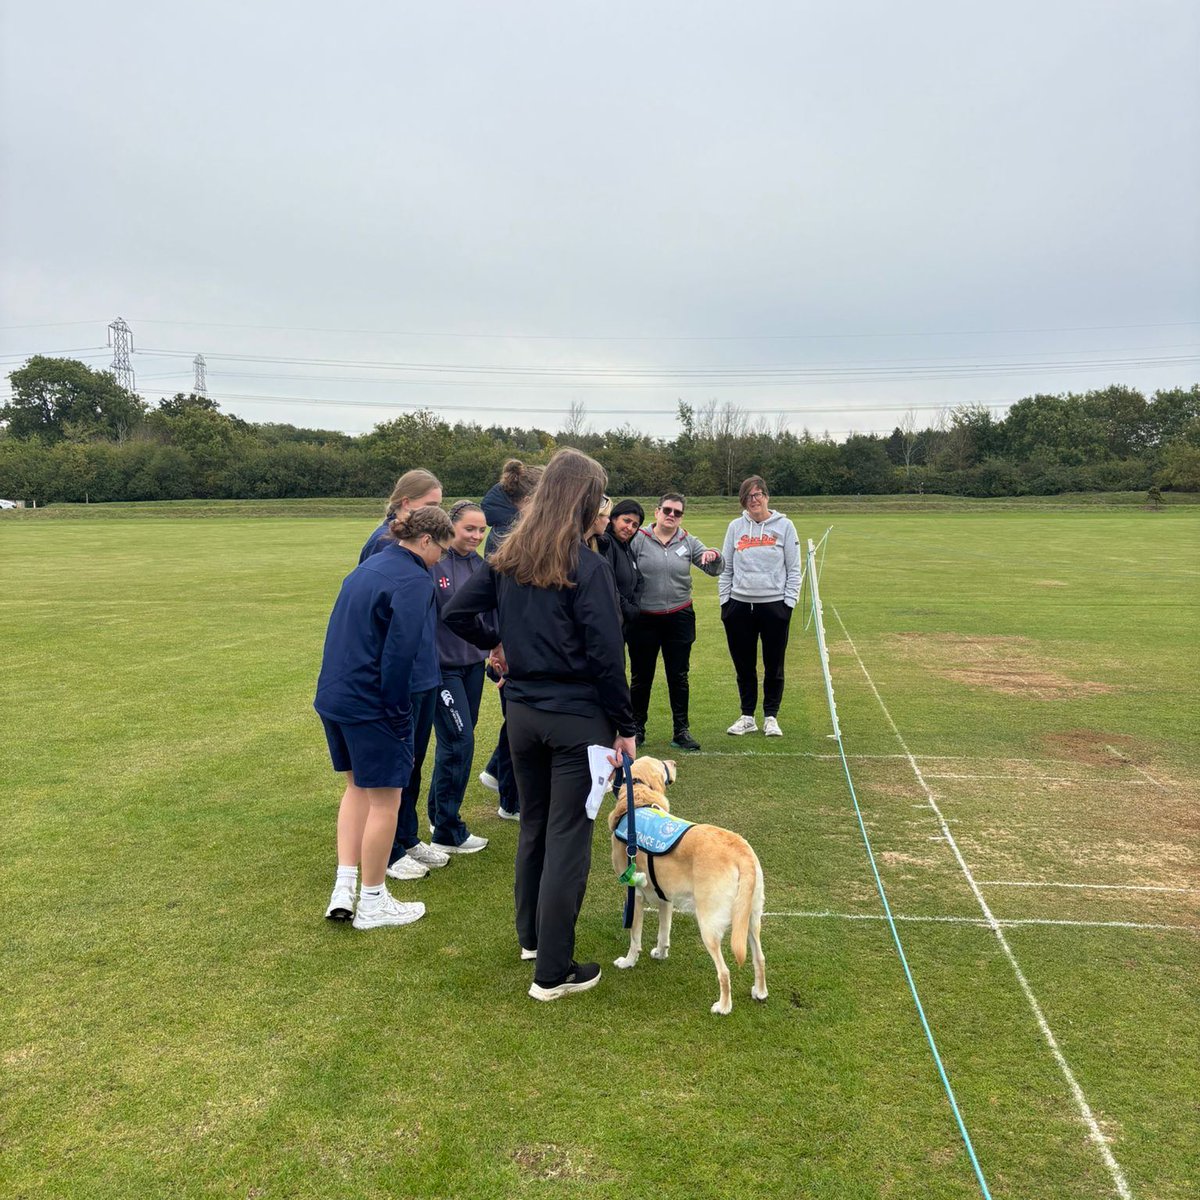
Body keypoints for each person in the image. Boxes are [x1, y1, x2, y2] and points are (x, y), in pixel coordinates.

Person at [443, 448, 637, 1001]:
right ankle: (552, 969)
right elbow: (606, 656)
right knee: (567, 836)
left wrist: (496, 645)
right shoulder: (585, 566)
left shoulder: (510, 558)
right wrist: (625, 726)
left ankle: (533, 937)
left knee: (536, 826)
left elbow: (456, 611)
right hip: (577, 721)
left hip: (524, 716)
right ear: (581, 502)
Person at [316, 505, 455, 929]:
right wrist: (398, 714)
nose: (441, 561)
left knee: (357, 788)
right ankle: (373, 901)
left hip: (335, 696)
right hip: (372, 703)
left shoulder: (370, 566)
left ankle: (345, 885)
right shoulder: (414, 580)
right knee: (386, 800)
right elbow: (400, 656)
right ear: (426, 541)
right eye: (441, 551)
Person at [358, 471, 452, 878]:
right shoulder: (385, 544)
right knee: (396, 766)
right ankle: (389, 850)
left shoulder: (422, 543)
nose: (438, 510)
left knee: (413, 761)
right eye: (431, 502)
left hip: (424, 669)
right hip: (404, 675)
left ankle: (408, 836)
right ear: (405, 502)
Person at [628, 493, 723, 752]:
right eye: (667, 510)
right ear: (657, 511)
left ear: (682, 517)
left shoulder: (688, 541)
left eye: (677, 513)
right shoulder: (638, 539)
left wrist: (714, 556)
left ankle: (681, 730)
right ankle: (637, 729)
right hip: (644, 619)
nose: (672, 515)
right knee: (640, 676)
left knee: (679, 676)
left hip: (679, 617)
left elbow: (714, 568)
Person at [426, 501, 491, 855]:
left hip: (473, 667)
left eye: (482, 530)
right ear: (452, 526)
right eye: (470, 529)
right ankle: (447, 830)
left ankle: (438, 816)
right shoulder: (435, 563)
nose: (477, 536)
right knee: (460, 740)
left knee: (457, 741)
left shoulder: (481, 566)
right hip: (441, 669)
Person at [479, 459, 543, 816]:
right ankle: (511, 800)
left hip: (513, 639)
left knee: (519, 720)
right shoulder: (509, 533)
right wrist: (497, 644)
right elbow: (497, 596)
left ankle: (499, 778)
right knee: (520, 720)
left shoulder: (511, 526)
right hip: (510, 643)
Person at [718, 477, 803, 738]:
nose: (754, 500)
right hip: (739, 606)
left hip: (774, 606)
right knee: (744, 665)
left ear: (766, 496)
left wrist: (788, 604)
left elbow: (794, 569)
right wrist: (726, 602)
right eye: (748, 496)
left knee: (774, 665)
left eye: (758, 495)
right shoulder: (735, 527)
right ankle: (747, 716)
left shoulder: (785, 526)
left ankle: (770, 717)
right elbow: (726, 568)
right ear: (743, 501)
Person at [360, 469, 443, 563]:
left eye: (438, 506)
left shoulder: (413, 538)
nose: (437, 511)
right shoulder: (385, 542)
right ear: (406, 503)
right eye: (431, 505)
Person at [596, 498, 644, 628]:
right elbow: (608, 584)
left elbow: (639, 579)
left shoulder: (625, 546)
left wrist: (635, 605)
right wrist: (628, 609)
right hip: (609, 619)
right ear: (614, 518)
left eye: (635, 525)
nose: (630, 528)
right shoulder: (606, 543)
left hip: (622, 621)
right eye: (626, 521)